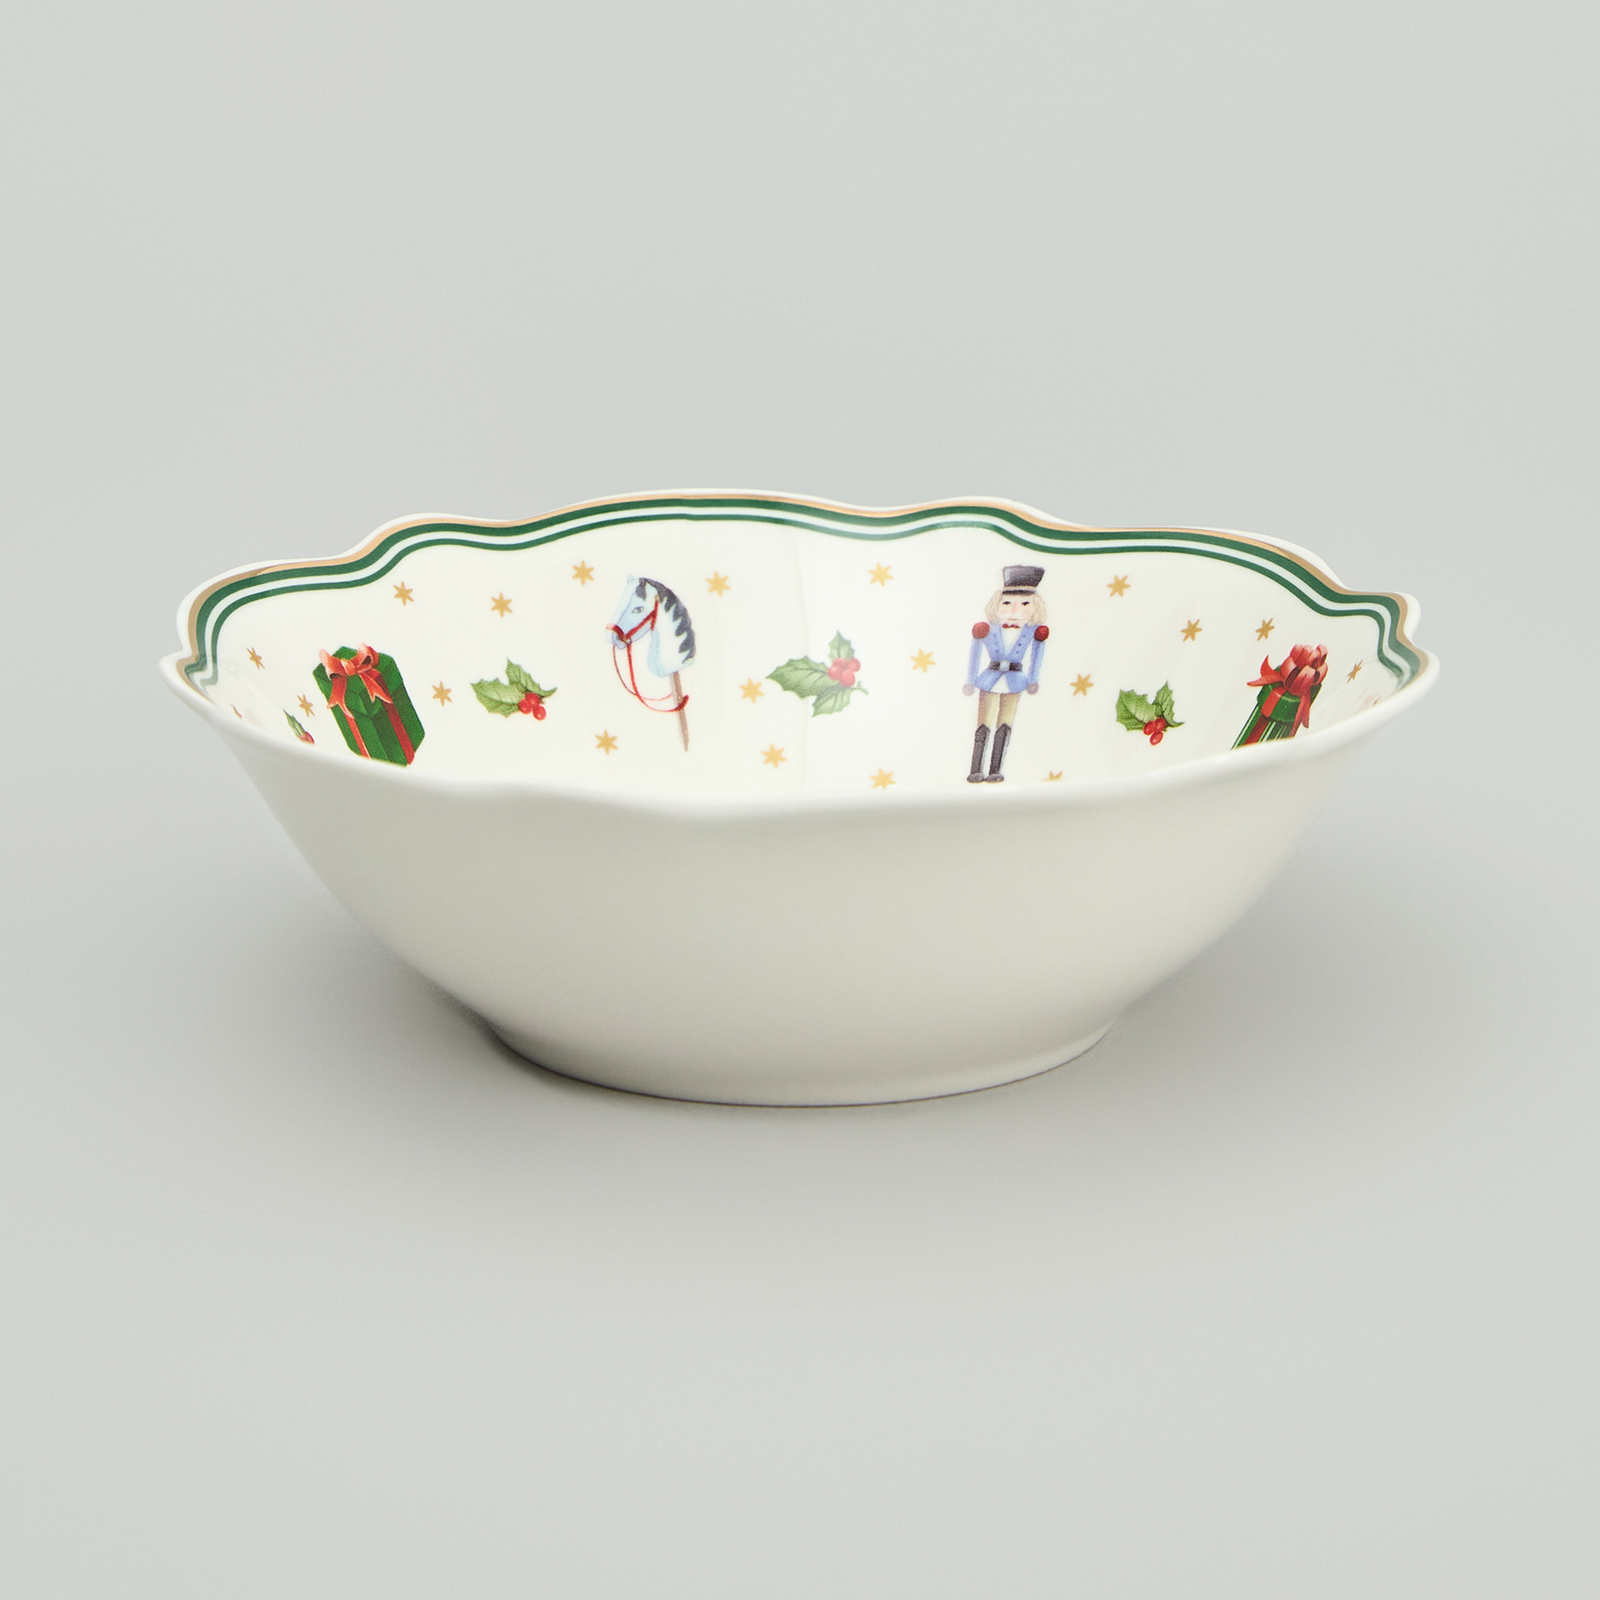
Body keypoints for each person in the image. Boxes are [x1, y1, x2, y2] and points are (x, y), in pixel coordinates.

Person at [963, 565, 1048, 782]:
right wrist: (970, 680)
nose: (1014, 610)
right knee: (983, 723)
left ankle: (995, 770)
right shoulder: (988, 629)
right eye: (1007, 603)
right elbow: (975, 653)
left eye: (1025, 604)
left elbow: (1037, 654)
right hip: (990, 679)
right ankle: (975, 769)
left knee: (1005, 724)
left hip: (1015, 681)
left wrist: (1033, 679)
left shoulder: (1032, 631)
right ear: (997, 604)